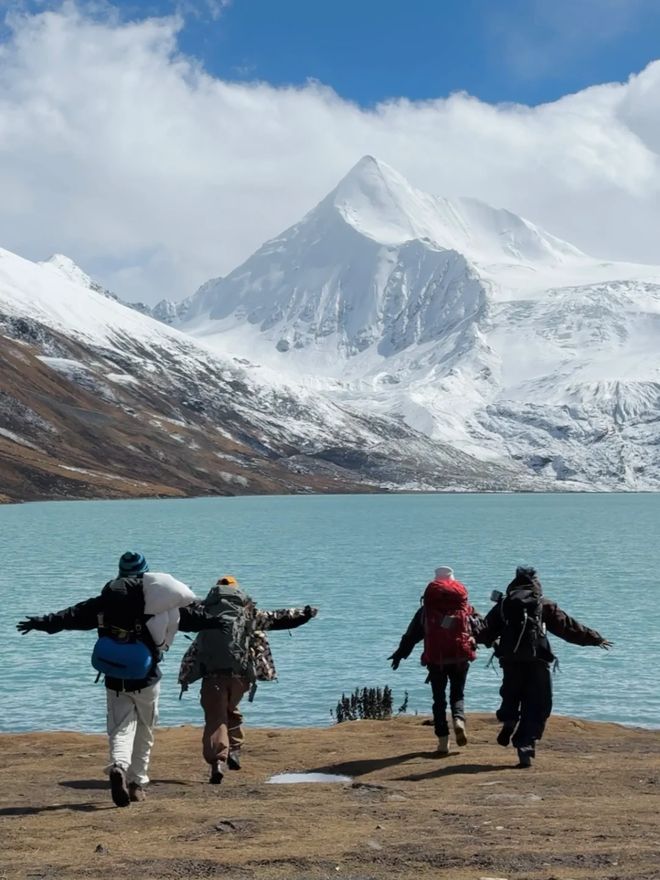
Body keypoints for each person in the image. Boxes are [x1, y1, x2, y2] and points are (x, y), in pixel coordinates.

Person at [16, 551, 227, 807]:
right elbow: (193, 620)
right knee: (145, 730)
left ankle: (118, 766)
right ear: (145, 573)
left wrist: (40, 623)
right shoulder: (159, 604)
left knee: (120, 728)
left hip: (114, 676)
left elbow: (72, 616)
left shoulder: (106, 602)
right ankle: (137, 784)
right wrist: (219, 622)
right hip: (147, 678)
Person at [178, 574, 318, 784]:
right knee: (229, 709)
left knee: (216, 718)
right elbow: (278, 618)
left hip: (212, 675)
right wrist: (305, 614)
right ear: (237, 591)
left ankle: (217, 761)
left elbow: (177, 615)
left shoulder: (203, 611)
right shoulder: (248, 613)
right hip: (241, 677)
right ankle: (234, 749)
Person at [477, 565, 612, 768]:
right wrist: (595, 638)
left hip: (510, 660)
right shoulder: (543, 604)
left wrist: (478, 636)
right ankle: (525, 746)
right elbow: (568, 627)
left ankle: (510, 719)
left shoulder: (504, 605)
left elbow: (484, 632)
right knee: (538, 703)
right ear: (536, 582)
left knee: (511, 693)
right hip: (537, 660)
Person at [388, 566, 481, 755]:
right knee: (457, 694)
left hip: (435, 658)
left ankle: (443, 742)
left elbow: (412, 635)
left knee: (438, 700)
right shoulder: (464, 607)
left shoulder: (426, 610)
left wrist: (400, 654)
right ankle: (458, 719)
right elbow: (480, 627)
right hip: (459, 656)